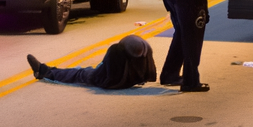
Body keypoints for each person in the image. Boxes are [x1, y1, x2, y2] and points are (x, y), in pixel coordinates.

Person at [26, 34, 156, 88]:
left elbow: (105, 77)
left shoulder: (115, 51)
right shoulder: (147, 53)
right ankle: (45, 71)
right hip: (132, 79)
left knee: (80, 73)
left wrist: (98, 74)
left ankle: (45, 71)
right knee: (86, 71)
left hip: (110, 80)